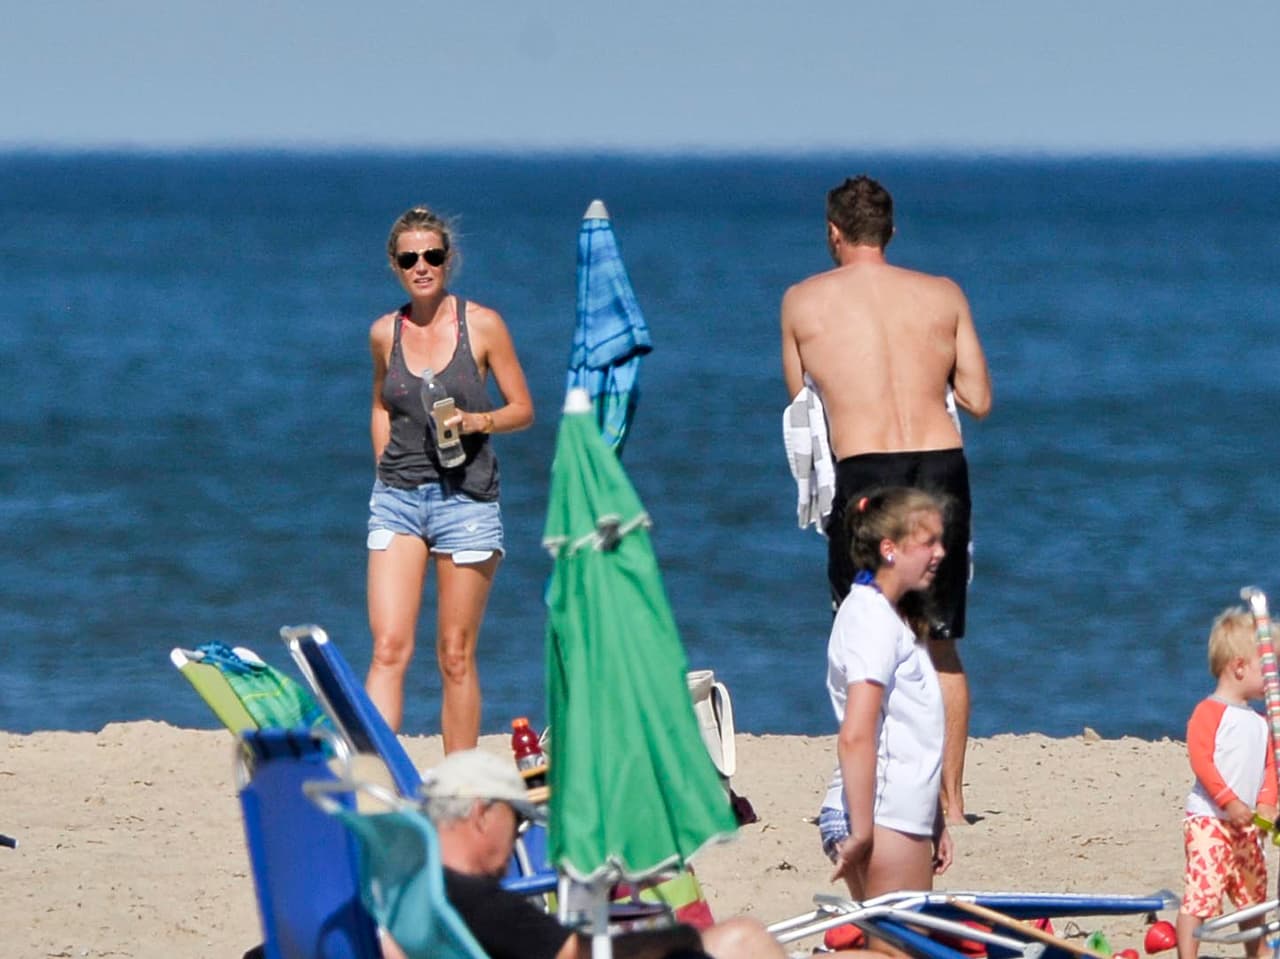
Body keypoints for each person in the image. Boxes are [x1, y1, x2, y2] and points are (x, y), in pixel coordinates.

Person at [780, 174, 992, 824]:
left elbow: (801, 402)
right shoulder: (943, 293)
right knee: (942, 637)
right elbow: (979, 400)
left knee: (864, 631)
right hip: (940, 465)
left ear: (833, 234)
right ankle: (951, 803)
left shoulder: (801, 301)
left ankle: (870, 788)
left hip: (866, 470)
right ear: (892, 231)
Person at [365, 205, 533, 750]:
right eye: (410, 258)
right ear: (395, 265)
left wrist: (477, 420)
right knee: (389, 647)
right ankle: (373, 777)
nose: (422, 266)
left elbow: (523, 408)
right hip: (397, 501)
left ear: (448, 260)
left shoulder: (482, 325)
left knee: (454, 653)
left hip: (468, 501)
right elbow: (380, 405)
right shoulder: (383, 333)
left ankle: (461, 783)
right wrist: (382, 466)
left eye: (432, 256)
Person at [389, 748, 809, 959]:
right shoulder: (478, 901)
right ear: (481, 813)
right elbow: (581, 954)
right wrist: (676, 938)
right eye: (515, 818)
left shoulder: (401, 890)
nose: (518, 832)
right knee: (743, 940)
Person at [819, 488, 953, 955]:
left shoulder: (890, 615)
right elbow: (857, 734)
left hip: (894, 811)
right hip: (881, 812)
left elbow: (908, 730)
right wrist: (861, 831)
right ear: (889, 548)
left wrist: (935, 819)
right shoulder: (872, 618)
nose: (940, 552)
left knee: (896, 948)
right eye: (928, 542)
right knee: (902, 953)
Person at [1175, 607, 1277, 959]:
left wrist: (1266, 803)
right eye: (1268, 670)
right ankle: (1187, 953)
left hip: (1246, 825)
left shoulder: (1260, 722)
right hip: (1210, 819)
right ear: (1239, 667)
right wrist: (1229, 801)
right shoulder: (1210, 712)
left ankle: (1259, 951)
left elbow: (1269, 768)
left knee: (1253, 895)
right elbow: (1201, 759)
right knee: (1201, 893)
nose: (1274, 679)